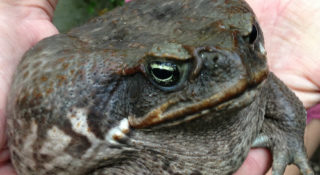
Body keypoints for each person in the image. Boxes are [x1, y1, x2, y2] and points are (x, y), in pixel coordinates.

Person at [0, 0, 319, 174]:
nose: (241, 64)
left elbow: (260, 79)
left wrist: (288, 132)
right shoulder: (116, 131)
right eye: (167, 72)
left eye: (249, 38)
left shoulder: (237, 60)